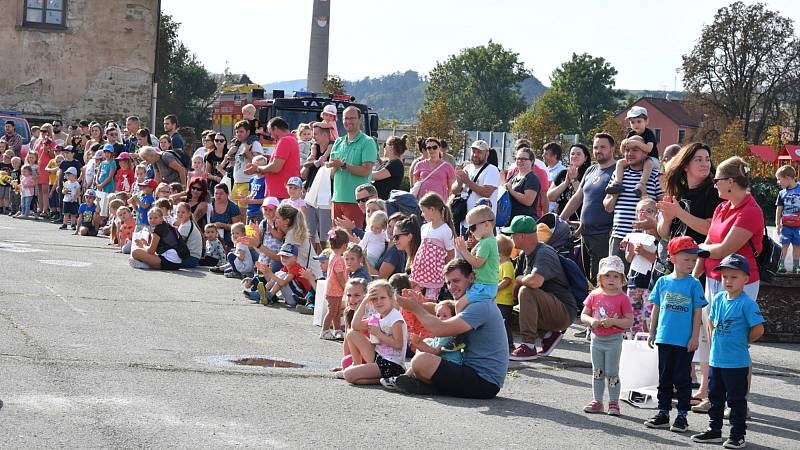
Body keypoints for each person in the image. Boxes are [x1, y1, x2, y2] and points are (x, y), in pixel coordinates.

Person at [693, 156, 764, 415]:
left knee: (734, 343)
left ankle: (738, 402)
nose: (714, 185)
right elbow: (710, 244)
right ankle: (715, 396)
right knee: (713, 342)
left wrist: (700, 251)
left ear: (731, 182)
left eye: (718, 180)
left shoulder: (751, 210)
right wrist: (696, 273)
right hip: (714, 280)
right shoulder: (723, 207)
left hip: (741, 284)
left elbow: (723, 249)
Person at [392, 259, 508, 399]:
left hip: (484, 382)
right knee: (428, 343)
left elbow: (440, 329)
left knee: (421, 361)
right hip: (472, 372)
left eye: (456, 281)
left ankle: (426, 385)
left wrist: (415, 308)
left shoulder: (480, 306)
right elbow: (437, 307)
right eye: (448, 282)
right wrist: (420, 303)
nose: (451, 287)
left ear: (471, 278)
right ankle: (420, 383)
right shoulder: (469, 301)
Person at [690, 254, 765, 449]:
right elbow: (711, 322)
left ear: (745, 279)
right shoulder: (719, 298)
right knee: (715, 398)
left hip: (737, 362)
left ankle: (737, 435)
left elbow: (759, 329)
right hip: (717, 360)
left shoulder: (747, 303)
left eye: (734, 277)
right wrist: (714, 341)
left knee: (736, 400)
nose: (728, 281)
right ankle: (714, 431)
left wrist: (743, 340)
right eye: (725, 277)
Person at [644, 236, 708, 433]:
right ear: (672, 258)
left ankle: (682, 416)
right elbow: (656, 307)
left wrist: (694, 337)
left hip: (684, 340)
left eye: (693, 260)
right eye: (686, 259)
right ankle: (663, 412)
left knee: (682, 379)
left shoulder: (694, 284)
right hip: (664, 337)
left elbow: (698, 312)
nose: (690, 263)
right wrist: (652, 331)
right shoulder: (663, 282)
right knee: (664, 377)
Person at [503, 215, 576, 361]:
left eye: (513, 234)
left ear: (522, 236)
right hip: (547, 309)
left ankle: (528, 346)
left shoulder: (545, 252)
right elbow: (512, 286)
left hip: (563, 311)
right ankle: (548, 335)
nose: (511, 237)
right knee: (503, 315)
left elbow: (535, 282)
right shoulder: (524, 254)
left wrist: (518, 280)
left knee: (526, 290)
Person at [580, 255, 634, 416]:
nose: (611, 279)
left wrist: (613, 322)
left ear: (622, 279)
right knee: (597, 370)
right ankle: (597, 400)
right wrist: (592, 321)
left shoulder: (623, 298)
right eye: (607, 276)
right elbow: (584, 315)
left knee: (612, 371)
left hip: (614, 340)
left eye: (616, 276)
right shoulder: (594, 295)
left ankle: (613, 402)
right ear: (600, 278)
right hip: (596, 339)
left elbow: (629, 321)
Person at [604, 135, 664, 273]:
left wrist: (645, 196)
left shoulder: (655, 175)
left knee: (641, 281)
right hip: (619, 236)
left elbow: (663, 205)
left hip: (645, 238)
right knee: (614, 276)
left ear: (644, 152)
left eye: (635, 150)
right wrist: (614, 195)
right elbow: (607, 207)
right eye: (627, 150)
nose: (630, 153)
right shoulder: (619, 174)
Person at [656, 143, 722, 252]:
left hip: (699, 261)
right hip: (675, 262)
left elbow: (710, 229)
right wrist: (667, 220)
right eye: (698, 160)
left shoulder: (715, 191)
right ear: (685, 166)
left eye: (707, 159)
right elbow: (663, 233)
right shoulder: (678, 193)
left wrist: (679, 213)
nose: (705, 164)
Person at [342, 280, 407, 385]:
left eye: (383, 298)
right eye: (374, 299)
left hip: (392, 363)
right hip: (379, 357)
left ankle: (388, 378)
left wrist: (379, 334)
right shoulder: (377, 316)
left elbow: (398, 345)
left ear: (391, 299)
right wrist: (364, 301)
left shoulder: (395, 318)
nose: (379, 302)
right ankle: (357, 364)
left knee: (349, 375)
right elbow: (355, 326)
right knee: (352, 333)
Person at [327, 106, 378, 230]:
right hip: (337, 199)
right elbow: (332, 173)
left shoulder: (368, 142)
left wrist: (343, 165)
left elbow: (366, 171)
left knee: (353, 239)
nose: (349, 121)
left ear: (360, 120)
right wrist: (331, 167)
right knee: (336, 238)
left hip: (356, 201)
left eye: (352, 118)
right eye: (346, 118)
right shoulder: (338, 142)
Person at [411, 193, 456, 300]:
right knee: (415, 298)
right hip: (420, 272)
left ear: (432, 209)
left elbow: (450, 255)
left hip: (435, 275)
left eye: (423, 211)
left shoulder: (445, 230)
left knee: (430, 301)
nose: (422, 214)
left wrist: (443, 271)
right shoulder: (424, 227)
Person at [607, 106, 660, 198]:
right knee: (620, 162)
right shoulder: (631, 134)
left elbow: (648, 149)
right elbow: (623, 152)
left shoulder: (649, 133)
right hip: (637, 160)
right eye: (632, 122)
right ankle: (617, 182)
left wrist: (636, 143)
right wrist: (623, 144)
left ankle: (642, 184)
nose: (636, 125)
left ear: (646, 121)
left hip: (652, 159)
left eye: (639, 121)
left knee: (648, 162)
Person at [454, 205, 499, 308]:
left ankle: (460, 324)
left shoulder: (486, 243)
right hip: (483, 285)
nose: (470, 231)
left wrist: (463, 250)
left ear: (487, 224)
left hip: (484, 286)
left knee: (459, 306)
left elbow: (477, 263)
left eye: (472, 227)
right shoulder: (485, 242)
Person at [452, 140, 500, 233]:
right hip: (466, 221)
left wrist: (467, 181)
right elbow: (454, 191)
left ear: (487, 154)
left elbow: (487, 193)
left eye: (479, 152)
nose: (475, 155)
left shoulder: (492, 170)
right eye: (474, 151)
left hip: (483, 224)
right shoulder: (468, 168)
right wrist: (459, 183)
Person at [250, 117, 300, 200]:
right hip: (282, 193)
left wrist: (257, 168)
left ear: (275, 128)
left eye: (270, 131)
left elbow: (275, 167)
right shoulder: (291, 139)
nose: (271, 136)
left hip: (280, 194)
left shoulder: (285, 141)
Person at [405, 301, 464, 370]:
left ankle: (410, 375)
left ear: (453, 318)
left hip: (452, 367)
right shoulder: (441, 332)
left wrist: (419, 343)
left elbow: (435, 352)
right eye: (438, 315)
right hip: (445, 363)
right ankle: (409, 375)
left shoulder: (447, 333)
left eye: (444, 316)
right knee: (427, 341)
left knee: (421, 356)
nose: (440, 318)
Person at [303, 121, 334, 250]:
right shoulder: (314, 149)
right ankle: (310, 257)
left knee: (325, 232)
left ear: (325, 135)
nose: (313, 137)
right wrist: (311, 159)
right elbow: (304, 174)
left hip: (325, 196)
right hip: (311, 193)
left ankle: (326, 257)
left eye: (316, 134)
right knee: (309, 231)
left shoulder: (333, 150)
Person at [548, 143, 592, 220]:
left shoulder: (589, 174)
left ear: (585, 158)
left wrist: (574, 179)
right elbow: (550, 197)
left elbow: (585, 197)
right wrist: (565, 183)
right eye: (572, 154)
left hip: (580, 220)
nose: (574, 156)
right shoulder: (563, 173)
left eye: (578, 154)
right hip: (562, 221)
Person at [228, 120, 264, 210]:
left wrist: (246, 152)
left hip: (247, 183)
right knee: (234, 213)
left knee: (243, 213)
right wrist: (231, 155)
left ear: (248, 132)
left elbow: (259, 164)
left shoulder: (255, 144)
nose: (238, 134)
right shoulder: (238, 145)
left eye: (241, 131)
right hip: (236, 182)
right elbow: (234, 164)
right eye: (237, 132)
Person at [322, 228, 349, 340]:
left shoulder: (333, 256)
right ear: (344, 245)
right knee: (333, 311)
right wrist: (346, 287)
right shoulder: (339, 259)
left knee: (337, 312)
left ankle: (337, 329)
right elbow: (339, 276)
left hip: (334, 290)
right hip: (334, 290)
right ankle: (325, 330)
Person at [372, 214, 418, 279]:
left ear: (409, 237)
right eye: (389, 226)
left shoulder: (396, 251)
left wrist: (363, 259)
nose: (394, 240)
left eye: (397, 237)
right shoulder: (408, 255)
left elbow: (381, 277)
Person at [411, 137, 455, 202]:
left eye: (434, 147)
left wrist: (448, 202)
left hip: (440, 202)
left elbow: (451, 188)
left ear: (439, 148)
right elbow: (415, 184)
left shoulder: (447, 166)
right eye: (429, 148)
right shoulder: (419, 165)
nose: (432, 150)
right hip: (423, 201)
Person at [774, 165, 800, 273]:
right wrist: (777, 223)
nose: (778, 182)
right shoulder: (782, 193)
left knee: (797, 246)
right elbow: (779, 209)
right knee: (784, 246)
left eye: (779, 179)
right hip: (786, 226)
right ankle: (781, 265)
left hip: (798, 226)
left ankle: (796, 266)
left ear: (788, 178)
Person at [504, 147, 540, 220]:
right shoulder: (514, 176)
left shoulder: (532, 178)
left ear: (532, 161)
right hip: (511, 220)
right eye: (518, 158)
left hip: (524, 222)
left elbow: (528, 201)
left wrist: (511, 191)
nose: (520, 161)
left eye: (524, 159)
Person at [207, 183, 244, 249]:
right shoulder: (209, 203)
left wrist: (222, 225)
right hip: (209, 235)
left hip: (228, 237)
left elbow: (237, 227)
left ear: (227, 194)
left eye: (221, 194)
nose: (218, 196)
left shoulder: (233, 207)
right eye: (216, 193)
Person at [372, 135, 407, 200]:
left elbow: (376, 176)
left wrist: (361, 171)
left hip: (386, 202)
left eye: (385, 145)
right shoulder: (387, 162)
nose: (384, 147)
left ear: (391, 147)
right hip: (379, 200)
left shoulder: (396, 164)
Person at [175, 202, 202, 268]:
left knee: (166, 261)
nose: (180, 214)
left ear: (189, 214)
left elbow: (178, 242)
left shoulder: (186, 225)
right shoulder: (186, 224)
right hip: (192, 257)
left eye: (183, 212)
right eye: (178, 212)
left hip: (191, 258)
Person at [542, 142, 565, 212]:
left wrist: (555, 210)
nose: (543, 156)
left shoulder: (562, 171)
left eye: (546, 154)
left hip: (553, 211)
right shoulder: (545, 169)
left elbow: (562, 193)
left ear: (555, 156)